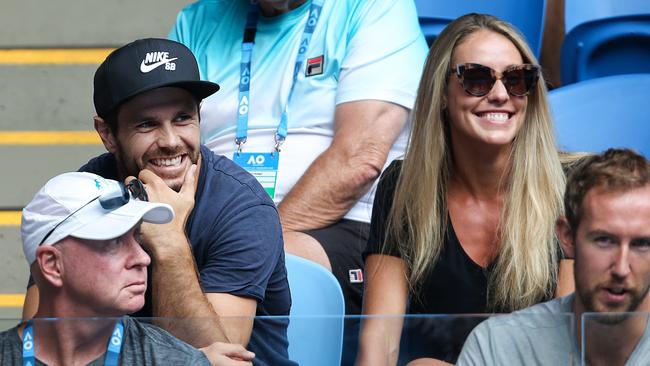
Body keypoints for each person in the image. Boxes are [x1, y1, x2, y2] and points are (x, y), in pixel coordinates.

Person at [22, 38, 294, 366]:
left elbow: (212, 359)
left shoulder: (242, 208)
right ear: (107, 133)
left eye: (182, 118)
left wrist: (169, 243)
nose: (170, 141)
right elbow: (40, 343)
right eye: (147, 124)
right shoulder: (86, 193)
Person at [169, 0, 428, 320]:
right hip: (212, 225)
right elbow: (164, 137)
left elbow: (359, 160)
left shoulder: (372, 6)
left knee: (280, 266)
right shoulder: (198, 20)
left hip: (343, 225)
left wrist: (248, 240)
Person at [357, 13, 572, 365]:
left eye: (517, 80)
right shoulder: (404, 185)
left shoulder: (571, 184)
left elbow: (573, 343)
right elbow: (379, 342)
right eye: (476, 79)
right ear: (442, 92)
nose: (501, 94)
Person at [457, 148, 650, 365]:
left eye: (642, 244)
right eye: (604, 241)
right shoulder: (498, 347)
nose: (621, 268)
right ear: (567, 237)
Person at [0, 172, 215, 365]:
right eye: (113, 242)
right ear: (52, 264)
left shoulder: (180, 362)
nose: (143, 258)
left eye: (137, 237)